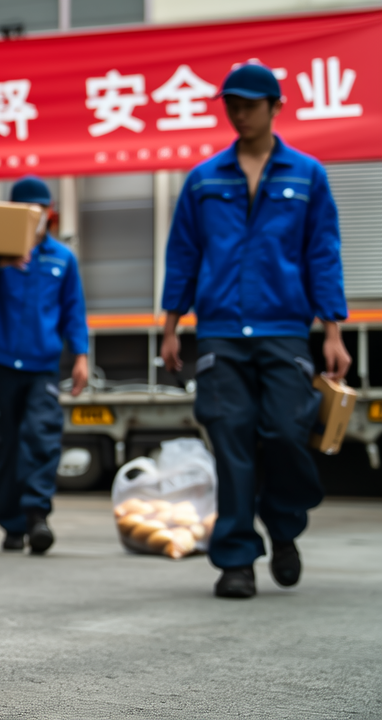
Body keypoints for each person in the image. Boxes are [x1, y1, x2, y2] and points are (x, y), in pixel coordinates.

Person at [159, 63, 350, 599]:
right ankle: (236, 560)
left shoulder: (307, 175)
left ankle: (283, 527)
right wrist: (171, 326)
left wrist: (333, 332)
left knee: (287, 433)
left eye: (249, 105)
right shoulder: (204, 179)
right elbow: (183, 254)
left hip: (284, 327)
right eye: (232, 105)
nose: (239, 114)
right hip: (220, 330)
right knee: (231, 440)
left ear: (275, 107)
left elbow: (323, 254)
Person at [0, 176, 90, 555]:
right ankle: (12, 523)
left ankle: (37, 517)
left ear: (49, 212)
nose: (35, 216)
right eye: (27, 209)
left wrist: (81, 355)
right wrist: (2, 260)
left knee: (41, 437)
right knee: (5, 446)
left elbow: (73, 309)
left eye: (40, 209)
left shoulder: (62, 258)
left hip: (42, 366)